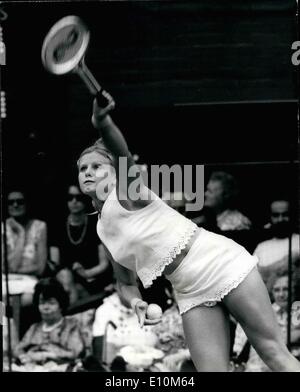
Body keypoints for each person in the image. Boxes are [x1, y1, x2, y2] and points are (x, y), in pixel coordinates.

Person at [75, 92, 300, 372]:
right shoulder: (102, 228)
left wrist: (102, 121)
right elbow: (125, 281)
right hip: (189, 289)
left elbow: (122, 155)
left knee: (272, 353)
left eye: (97, 166)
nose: (88, 172)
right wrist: (136, 304)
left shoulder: (128, 193)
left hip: (220, 263)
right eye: (83, 168)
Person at [50, 184, 113, 300]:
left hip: (94, 276)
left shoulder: (97, 223)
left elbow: (104, 263)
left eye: (78, 197)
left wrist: (86, 273)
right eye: (70, 198)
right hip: (67, 279)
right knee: (67, 281)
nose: (74, 201)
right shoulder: (57, 226)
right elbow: (54, 264)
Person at [233, 268, 300, 371]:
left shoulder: (297, 312)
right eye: (277, 290)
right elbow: (239, 350)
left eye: (286, 289)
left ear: (293, 289)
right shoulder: (262, 313)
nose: (281, 295)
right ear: (271, 291)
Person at [13, 278, 85, 370]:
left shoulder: (71, 325)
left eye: (51, 303)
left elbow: (75, 353)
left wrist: (47, 355)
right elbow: (18, 349)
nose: (46, 307)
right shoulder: (35, 327)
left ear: (61, 305)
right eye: (42, 303)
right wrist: (24, 358)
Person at [2, 190, 48, 306]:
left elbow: (40, 268)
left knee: (27, 299)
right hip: (5, 280)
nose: (15, 205)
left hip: (29, 280)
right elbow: (4, 267)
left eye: (20, 202)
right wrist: (22, 235)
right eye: (11, 202)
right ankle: (3, 324)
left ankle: (13, 324)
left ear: (27, 204)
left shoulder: (40, 226)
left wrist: (21, 232)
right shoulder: (2, 228)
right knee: (1, 302)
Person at [254, 198, 300, 285]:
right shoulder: (262, 248)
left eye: (285, 215)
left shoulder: (298, 241)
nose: (280, 219)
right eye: (276, 215)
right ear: (270, 217)